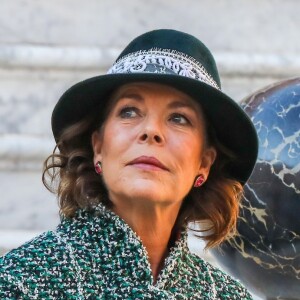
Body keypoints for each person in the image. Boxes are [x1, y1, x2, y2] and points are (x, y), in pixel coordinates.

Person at [0, 29, 258, 299]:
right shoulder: (22, 283)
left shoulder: (226, 295)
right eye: (129, 111)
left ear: (204, 163)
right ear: (97, 146)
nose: (151, 131)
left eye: (179, 118)